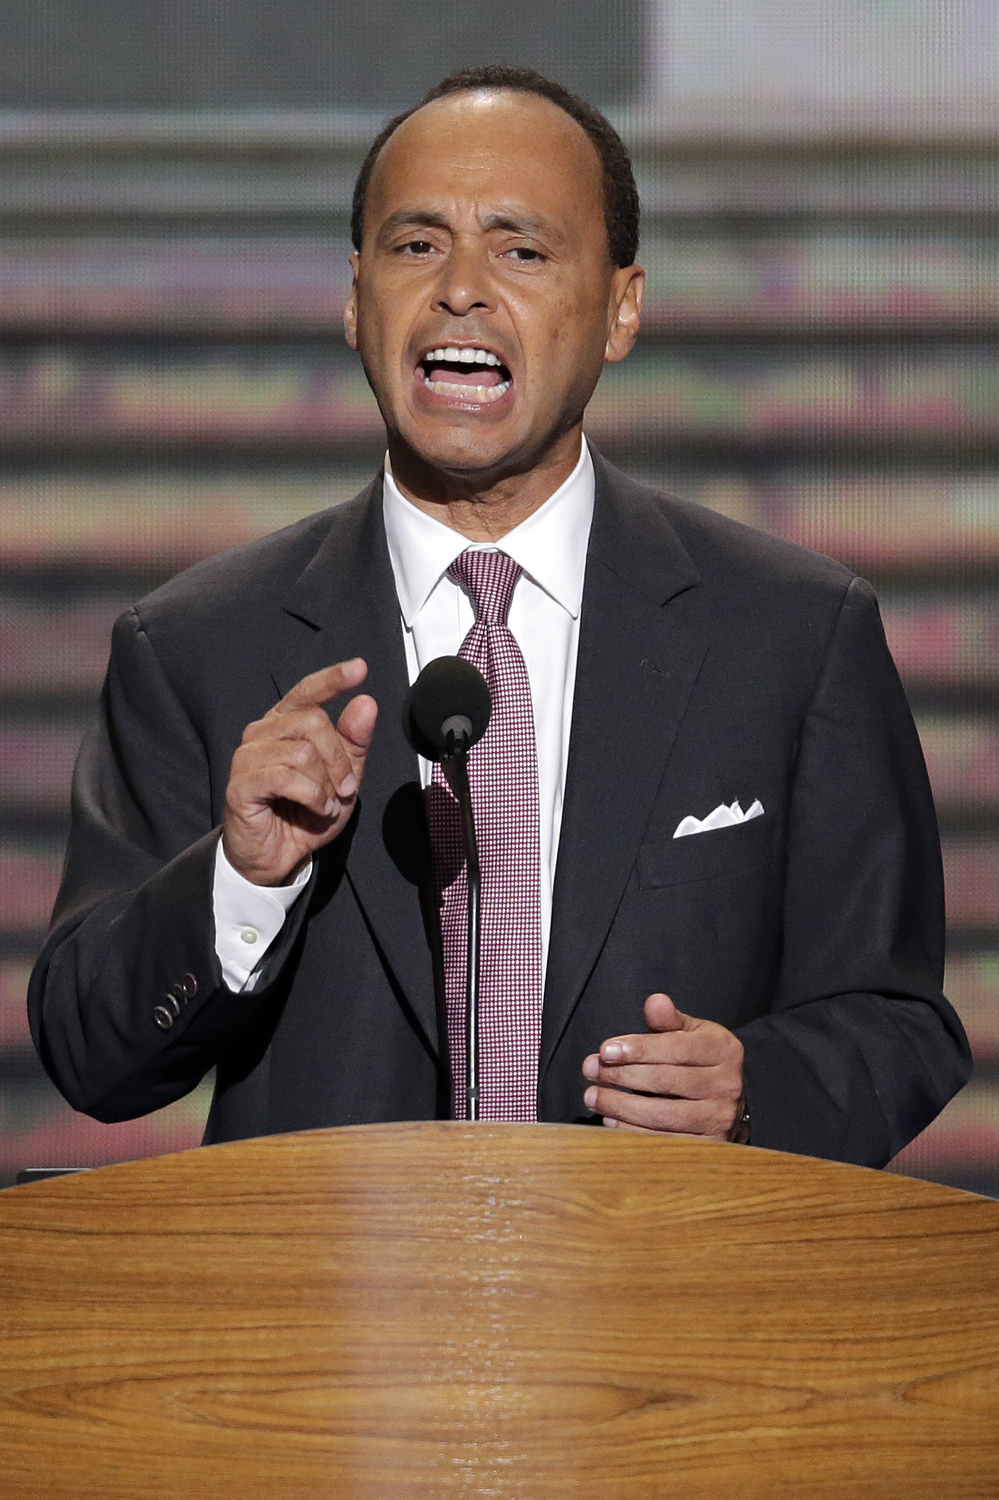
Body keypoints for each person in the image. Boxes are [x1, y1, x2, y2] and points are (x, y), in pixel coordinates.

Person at [29, 66, 970, 1165]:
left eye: (521, 250)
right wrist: (242, 878)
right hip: (324, 1274)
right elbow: (92, 1054)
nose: (461, 291)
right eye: (416, 245)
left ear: (621, 308)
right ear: (354, 298)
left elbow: (898, 1023)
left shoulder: (793, 637)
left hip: (665, 1266)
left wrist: (753, 1092)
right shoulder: (196, 647)